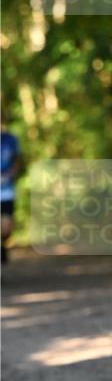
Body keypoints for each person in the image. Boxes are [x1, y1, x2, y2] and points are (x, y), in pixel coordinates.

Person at [1, 109, 23, 265]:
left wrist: (9, 174)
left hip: (6, 190)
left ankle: (2, 246)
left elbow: (17, 161)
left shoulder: (10, 139)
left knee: (6, 227)